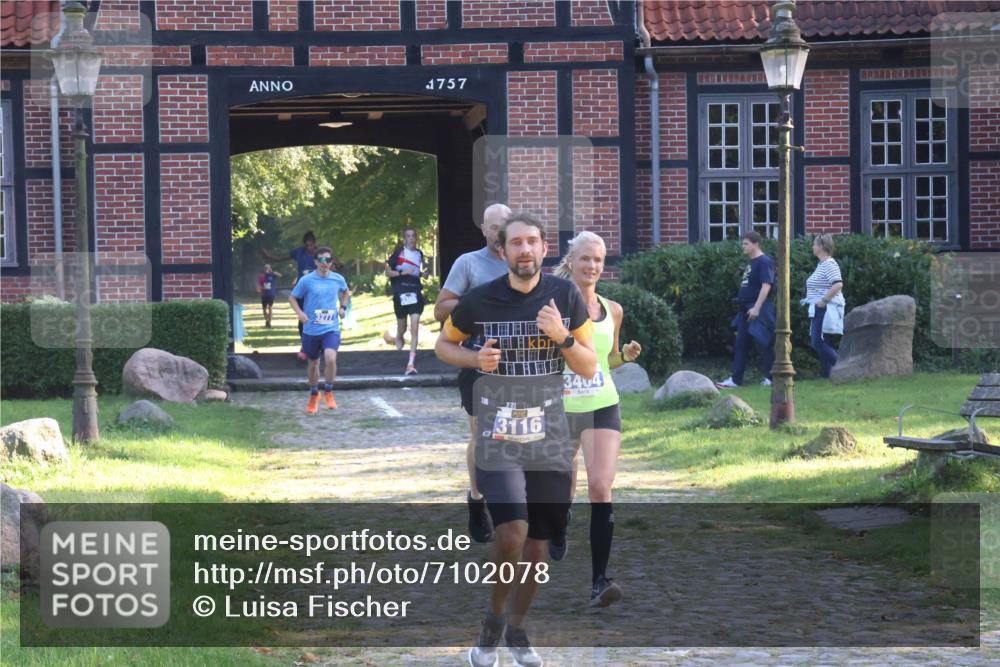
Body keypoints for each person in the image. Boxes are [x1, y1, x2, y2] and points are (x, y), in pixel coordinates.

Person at [435, 213, 596, 667]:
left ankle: (518, 630)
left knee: (538, 545)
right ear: (502, 251)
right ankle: (492, 623)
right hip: (498, 433)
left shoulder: (566, 296)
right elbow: (443, 346)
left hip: (549, 437)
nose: (524, 250)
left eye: (532, 242)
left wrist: (561, 336)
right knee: (511, 532)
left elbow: (589, 366)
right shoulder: (481, 299)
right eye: (516, 243)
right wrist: (474, 359)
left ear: (544, 248)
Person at [553, 231, 641, 608]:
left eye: (598, 260)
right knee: (560, 489)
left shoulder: (613, 309)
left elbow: (605, 362)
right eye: (585, 258)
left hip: (603, 404)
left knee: (601, 488)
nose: (592, 266)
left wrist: (625, 356)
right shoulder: (553, 307)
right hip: (561, 407)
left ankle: (599, 582)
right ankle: (558, 521)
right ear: (571, 261)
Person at [434, 203, 511, 544]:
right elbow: (440, 309)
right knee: (482, 434)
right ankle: (477, 499)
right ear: (483, 229)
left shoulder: (523, 259)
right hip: (477, 359)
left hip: (520, 362)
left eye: (505, 225)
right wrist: (477, 300)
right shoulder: (469, 263)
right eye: (494, 226)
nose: (499, 232)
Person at [288, 247, 350, 415]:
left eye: (328, 260)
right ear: (315, 262)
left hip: (331, 328)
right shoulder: (306, 280)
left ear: (331, 262)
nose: (325, 263)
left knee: (330, 359)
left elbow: (346, 292)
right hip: (311, 330)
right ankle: (314, 394)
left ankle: (328, 390)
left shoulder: (338, 279)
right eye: (321, 260)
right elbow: (292, 297)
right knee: (313, 364)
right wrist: (300, 313)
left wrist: (343, 307)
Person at [717, 231, 776, 389]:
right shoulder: (752, 262)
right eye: (743, 243)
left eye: (746, 243)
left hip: (758, 309)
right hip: (745, 310)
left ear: (756, 244)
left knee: (763, 342)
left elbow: (766, 286)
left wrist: (756, 307)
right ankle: (736, 380)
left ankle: (771, 378)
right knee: (741, 344)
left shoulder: (764, 261)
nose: (743, 246)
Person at [802, 233, 844, 378]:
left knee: (817, 341)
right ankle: (828, 375)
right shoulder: (822, 264)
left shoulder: (829, 264)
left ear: (821, 246)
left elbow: (838, 284)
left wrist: (823, 301)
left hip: (824, 308)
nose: (812, 247)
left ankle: (844, 367)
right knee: (825, 341)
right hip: (819, 308)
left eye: (814, 244)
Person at [386, 227, 426, 375]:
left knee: (414, 326)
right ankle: (399, 334)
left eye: (413, 236)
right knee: (402, 328)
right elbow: (388, 272)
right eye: (408, 236)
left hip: (415, 293)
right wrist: (402, 272)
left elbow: (416, 272)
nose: (411, 238)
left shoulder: (419, 254)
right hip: (401, 294)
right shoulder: (399, 253)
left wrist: (423, 274)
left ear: (416, 238)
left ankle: (411, 362)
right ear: (405, 239)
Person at [257, 264, 282, 328]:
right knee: (264, 309)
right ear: (264, 269)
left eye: (268, 268)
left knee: (270, 307)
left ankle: (269, 322)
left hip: (271, 294)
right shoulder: (262, 276)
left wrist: (272, 272)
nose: (267, 269)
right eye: (265, 268)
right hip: (264, 294)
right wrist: (259, 289)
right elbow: (259, 284)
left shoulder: (272, 274)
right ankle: (267, 320)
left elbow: (280, 275)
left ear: (270, 268)